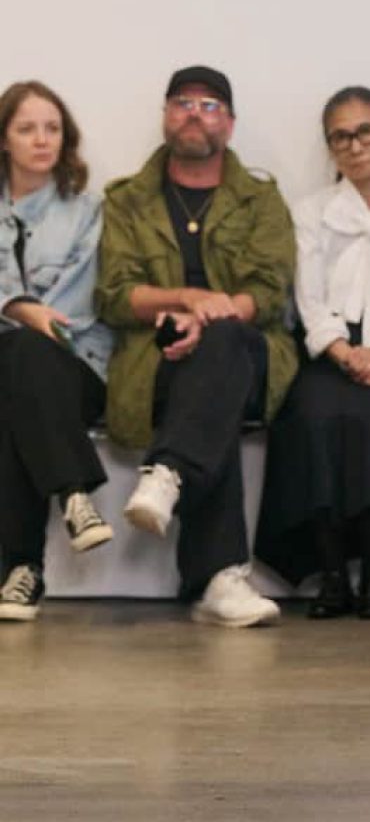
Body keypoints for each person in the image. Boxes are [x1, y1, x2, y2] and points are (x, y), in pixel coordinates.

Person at [96, 65, 297, 628]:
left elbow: (269, 292)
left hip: (249, 346)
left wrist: (214, 314)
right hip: (156, 352)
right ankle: (220, 578)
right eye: (182, 101)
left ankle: (169, 473)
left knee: (225, 342)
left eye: (209, 105)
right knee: (212, 390)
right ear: (165, 115)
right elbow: (114, 294)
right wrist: (184, 300)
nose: (193, 112)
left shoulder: (259, 198)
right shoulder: (127, 201)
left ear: (229, 125)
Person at [254, 87, 370, 619]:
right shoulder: (312, 212)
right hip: (330, 350)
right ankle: (330, 575)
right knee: (315, 417)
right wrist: (348, 356)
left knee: (369, 419)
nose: (355, 145)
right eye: (341, 136)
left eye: (366, 131)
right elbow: (311, 299)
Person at [0, 81, 114, 622]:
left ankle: (21, 569)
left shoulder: (87, 210)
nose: (42, 140)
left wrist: (19, 313)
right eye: (26, 129)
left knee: (24, 357)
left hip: (75, 366)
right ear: (4, 139)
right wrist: (22, 309)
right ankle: (73, 497)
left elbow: (74, 308)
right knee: (15, 379)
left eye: (52, 128)